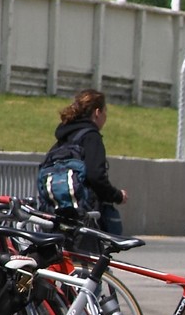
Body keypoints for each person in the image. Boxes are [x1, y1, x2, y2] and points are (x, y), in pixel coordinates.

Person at [46, 90, 129, 235]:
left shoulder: (63, 138)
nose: (106, 116)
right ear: (97, 112)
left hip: (55, 211)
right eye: (105, 111)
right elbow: (96, 176)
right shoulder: (91, 137)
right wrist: (117, 195)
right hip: (84, 212)